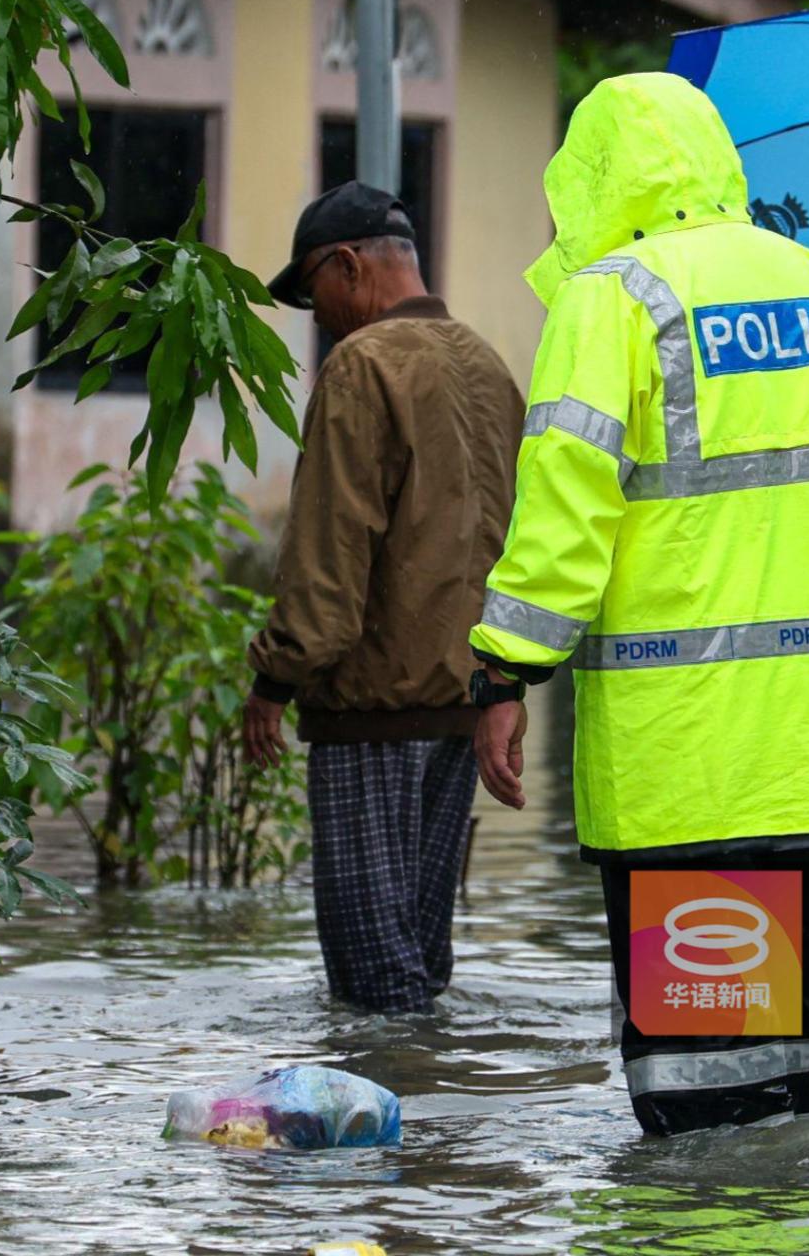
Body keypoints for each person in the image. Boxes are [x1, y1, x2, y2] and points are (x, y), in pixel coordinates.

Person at [465, 74, 809, 1136]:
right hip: (803, 736)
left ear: (599, 176)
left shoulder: (616, 294)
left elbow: (568, 499)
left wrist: (506, 669)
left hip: (683, 752)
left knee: (703, 1085)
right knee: (797, 1051)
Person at [243, 181, 525, 1015]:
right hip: (464, 707)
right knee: (420, 966)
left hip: (373, 710)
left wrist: (273, 681)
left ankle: (384, 1138)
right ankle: (436, 1133)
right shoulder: (486, 363)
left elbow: (328, 559)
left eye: (313, 291)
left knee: (373, 982)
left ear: (347, 265)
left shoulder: (362, 366)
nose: (318, 313)